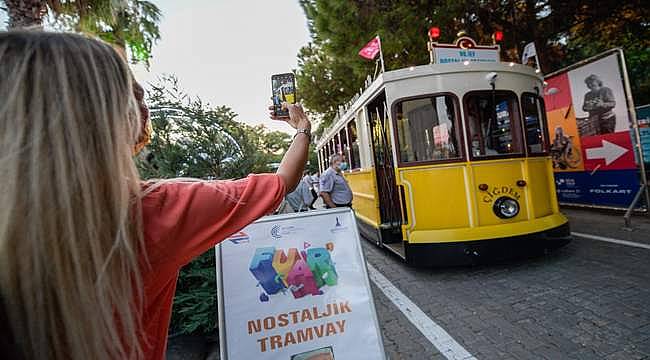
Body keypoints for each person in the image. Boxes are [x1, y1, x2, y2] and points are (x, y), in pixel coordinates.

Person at [0, 32, 311, 360]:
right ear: (123, 119)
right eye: (136, 96)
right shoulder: (156, 210)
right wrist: (302, 128)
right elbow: (282, 182)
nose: (144, 107)